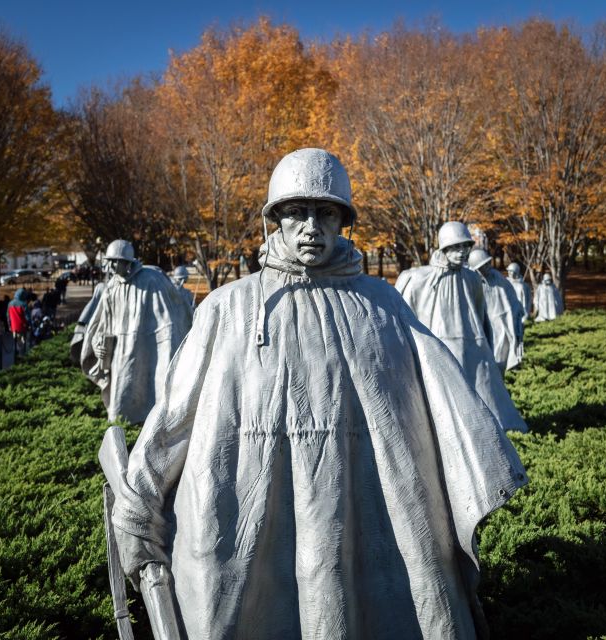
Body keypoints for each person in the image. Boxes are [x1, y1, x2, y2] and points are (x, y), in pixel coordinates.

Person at [110, 149, 527, 639]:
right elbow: (175, 417)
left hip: (369, 528)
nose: (311, 226)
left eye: (325, 212)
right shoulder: (230, 308)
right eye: (296, 212)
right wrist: (138, 504)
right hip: (252, 524)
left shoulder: (382, 304)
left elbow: (441, 409)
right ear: (275, 221)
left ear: (342, 221)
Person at [395, 221, 527, 433]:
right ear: (444, 248)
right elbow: (405, 313)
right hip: (439, 344)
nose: (462, 252)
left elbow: (480, 313)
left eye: (466, 246)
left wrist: (485, 346)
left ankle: (489, 428)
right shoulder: (421, 278)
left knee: (482, 392)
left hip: (472, 345)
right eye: (456, 247)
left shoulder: (472, 278)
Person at [81, 239, 193, 424]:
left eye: (115, 261)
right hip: (119, 354)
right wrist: (97, 344)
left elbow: (170, 321)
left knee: (153, 397)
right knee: (121, 405)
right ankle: (123, 432)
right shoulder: (112, 288)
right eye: (109, 261)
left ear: (128, 262)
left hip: (148, 350)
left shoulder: (151, 280)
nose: (111, 266)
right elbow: (100, 326)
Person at [468, 249, 524, 374]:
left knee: (501, 352)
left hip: (501, 322)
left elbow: (510, 294)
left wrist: (516, 310)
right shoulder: (472, 281)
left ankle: (501, 377)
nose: (488, 266)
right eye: (483, 265)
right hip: (483, 323)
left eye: (488, 263)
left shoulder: (496, 276)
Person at [7, 288, 30, 356]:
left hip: (14, 327)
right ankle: (22, 358)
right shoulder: (23, 304)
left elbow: (8, 316)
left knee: (17, 342)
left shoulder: (10, 304)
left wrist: (9, 326)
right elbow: (27, 317)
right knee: (23, 343)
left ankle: (16, 357)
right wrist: (29, 325)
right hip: (23, 327)